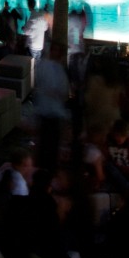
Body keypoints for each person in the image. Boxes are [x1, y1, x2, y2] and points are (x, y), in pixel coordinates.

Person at [33, 40, 71, 171]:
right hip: (48, 111)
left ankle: (45, 167)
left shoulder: (52, 67)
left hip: (50, 111)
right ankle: (46, 167)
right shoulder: (49, 67)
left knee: (48, 143)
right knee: (47, 143)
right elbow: (61, 92)